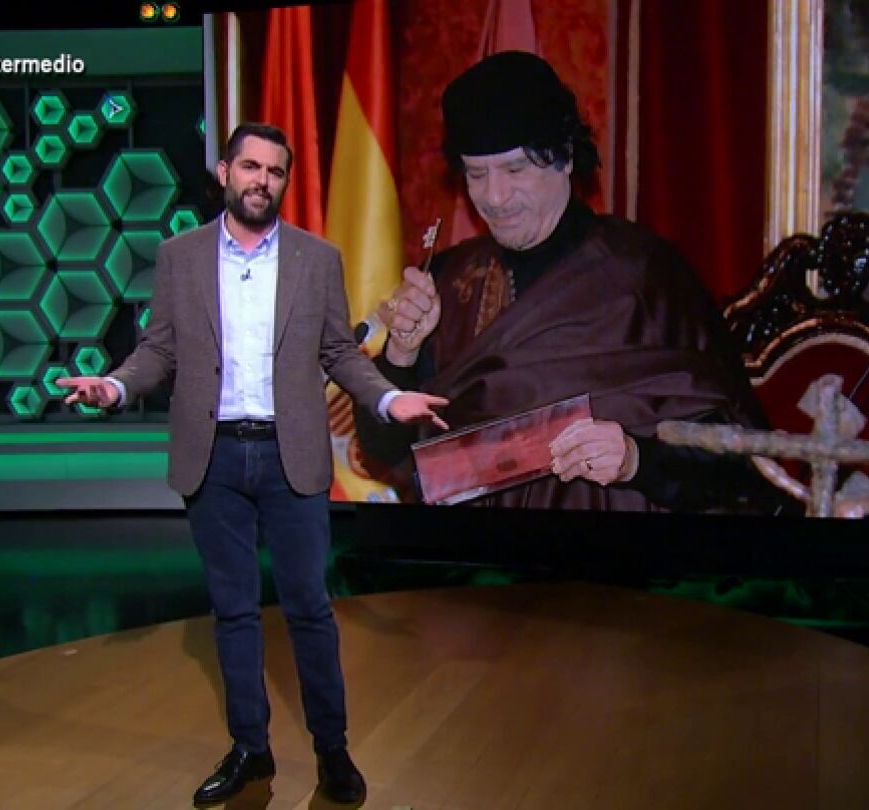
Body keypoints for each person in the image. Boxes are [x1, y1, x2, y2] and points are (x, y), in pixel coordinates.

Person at [58, 123, 447, 806]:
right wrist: (115, 386)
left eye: (275, 171)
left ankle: (332, 751)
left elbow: (339, 352)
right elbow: (159, 349)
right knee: (233, 611)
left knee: (309, 609)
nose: (262, 180)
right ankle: (250, 749)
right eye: (250, 167)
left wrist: (388, 399)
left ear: (284, 181)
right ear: (224, 172)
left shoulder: (315, 259)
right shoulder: (179, 257)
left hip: (289, 455)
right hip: (211, 458)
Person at [358, 50, 780, 513]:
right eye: (477, 174)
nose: (494, 196)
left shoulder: (641, 276)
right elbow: (383, 450)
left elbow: (742, 461)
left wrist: (637, 460)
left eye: (515, 170)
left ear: (563, 159)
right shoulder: (450, 279)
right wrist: (401, 354)